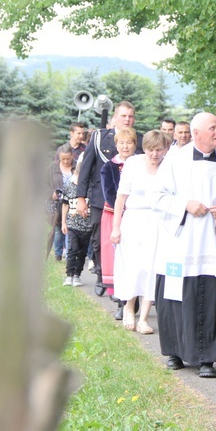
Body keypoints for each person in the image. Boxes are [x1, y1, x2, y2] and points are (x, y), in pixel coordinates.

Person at [151, 112, 216, 378]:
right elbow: (157, 197)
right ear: (196, 133)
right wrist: (185, 204)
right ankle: (176, 352)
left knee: (209, 296)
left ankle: (207, 358)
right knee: (177, 294)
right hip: (182, 241)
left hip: (213, 243)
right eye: (213, 128)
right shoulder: (175, 160)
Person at [76, 101, 142, 292]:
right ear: (114, 118)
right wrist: (81, 197)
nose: (127, 120)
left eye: (130, 116)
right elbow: (86, 168)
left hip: (131, 203)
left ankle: (124, 278)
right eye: (123, 116)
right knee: (99, 239)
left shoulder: (139, 140)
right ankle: (101, 273)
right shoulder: (99, 137)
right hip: (100, 198)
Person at [110, 130, 171, 334]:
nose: (154, 154)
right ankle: (129, 306)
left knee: (153, 267)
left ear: (165, 149)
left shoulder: (169, 167)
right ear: (144, 149)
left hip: (158, 221)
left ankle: (144, 317)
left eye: (159, 150)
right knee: (133, 265)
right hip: (135, 219)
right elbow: (121, 198)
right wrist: (116, 227)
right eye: (150, 150)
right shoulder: (133, 165)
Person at [100, 127, 138, 319]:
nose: (125, 146)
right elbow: (110, 194)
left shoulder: (142, 164)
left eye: (129, 142)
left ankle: (137, 298)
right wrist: (125, 210)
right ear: (116, 145)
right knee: (121, 259)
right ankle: (123, 302)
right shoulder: (109, 167)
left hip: (139, 217)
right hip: (117, 215)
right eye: (121, 143)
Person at [61, 159, 92, 287]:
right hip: (73, 224)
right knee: (72, 249)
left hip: (87, 226)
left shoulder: (90, 189)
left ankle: (77, 275)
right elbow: (65, 205)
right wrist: (63, 222)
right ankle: (69, 275)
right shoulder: (69, 187)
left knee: (82, 253)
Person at [48, 144, 74, 262]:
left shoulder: (77, 166)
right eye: (62, 158)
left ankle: (69, 254)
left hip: (72, 202)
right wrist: (51, 193)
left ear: (72, 156)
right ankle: (58, 254)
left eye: (67, 158)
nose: (65, 161)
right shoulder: (52, 168)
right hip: (57, 203)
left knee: (70, 228)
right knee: (57, 229)